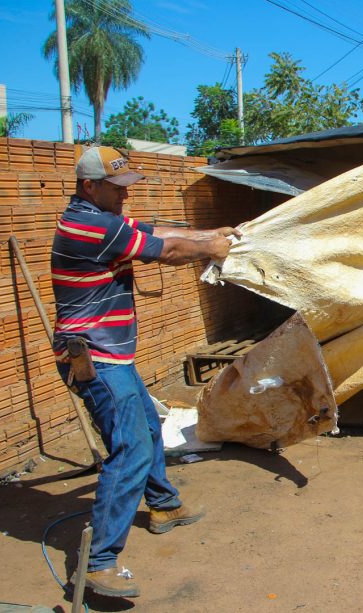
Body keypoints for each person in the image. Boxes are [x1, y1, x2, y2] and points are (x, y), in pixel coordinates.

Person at [52, 146, 240, 598]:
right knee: (130, 448)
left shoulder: (102, 217)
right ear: (89, 187)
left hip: (111, 354)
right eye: (116, 188)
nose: (124, 196)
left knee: (148, 430)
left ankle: (163, 505)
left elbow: (156, 229)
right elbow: (167, 249)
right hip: (94, 359)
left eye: (125, 186)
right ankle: (98, 562)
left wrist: (210, 232)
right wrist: (208, 248)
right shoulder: (89, 225)